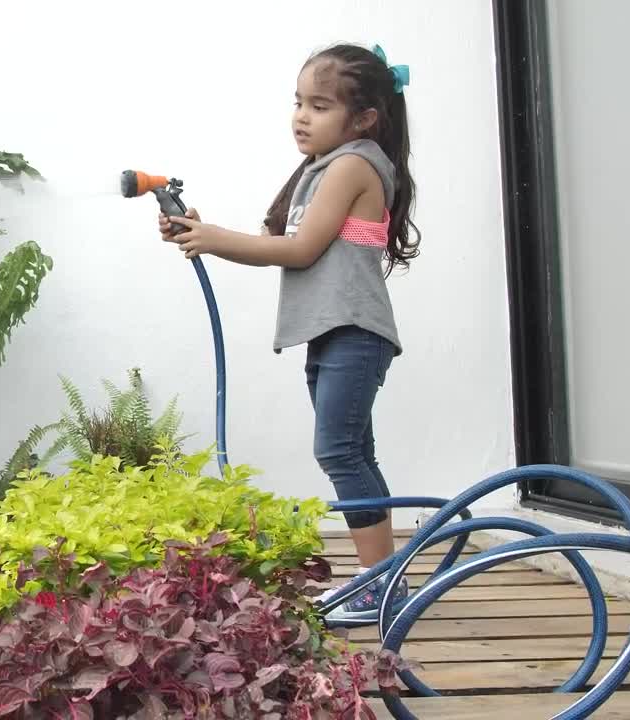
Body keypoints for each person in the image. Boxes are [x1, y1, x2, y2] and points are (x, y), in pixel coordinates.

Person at [157, 43, 419, 623]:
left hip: (354, 329)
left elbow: (300, 251)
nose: (301, 116)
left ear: (364, 117)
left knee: (340, 451)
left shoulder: (353, 165)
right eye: (298, 102)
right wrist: (203, 231)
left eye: (320, 106)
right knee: (352, 452)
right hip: (333, 331)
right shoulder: (324, 168)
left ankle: (382, 586)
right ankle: (382, 581)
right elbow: (282, 241)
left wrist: (214, 240)